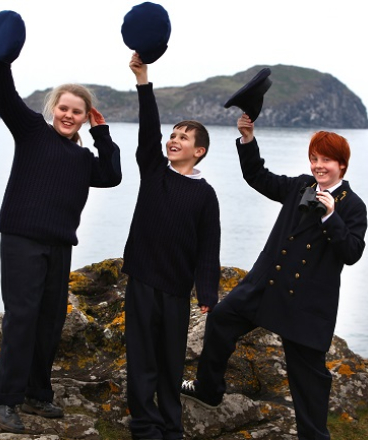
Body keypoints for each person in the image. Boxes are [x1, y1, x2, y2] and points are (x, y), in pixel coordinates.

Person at [181, 114, 367, 440]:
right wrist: (248, 139)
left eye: (326, 160)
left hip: (306, 304)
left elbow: (351, 253)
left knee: (307, 379)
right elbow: (257, 176)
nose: (318, 165)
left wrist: (332, 217)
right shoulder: (299, 186)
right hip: (265, 286)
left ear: (342, 165)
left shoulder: (352, 205)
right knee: (221, 319)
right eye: (314, 158)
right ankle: (208, 389)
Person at [0, 11, 122, 434]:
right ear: (53, 108)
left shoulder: (83, 158)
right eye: (64, 107)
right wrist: (0, 61)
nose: (68, 115)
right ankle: (5, 399)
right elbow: (6, 96)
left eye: (77, 112)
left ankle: (37, 393)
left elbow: (112, 175)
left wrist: (102, 135)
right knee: (22, 316)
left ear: (85, 117)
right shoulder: (31, 131)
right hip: (22, 239)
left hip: (60, 244)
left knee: (50, 320)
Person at [123, 52, 221, 440]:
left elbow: (208, 247)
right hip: (143, 281)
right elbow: (149, 131)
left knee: (170, 364)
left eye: (184, 137)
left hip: (177, 290)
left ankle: (171, 425)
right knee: (142, 359)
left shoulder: (205, 195)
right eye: (173, 134)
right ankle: (145, 425)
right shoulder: (153, 171)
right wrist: (143, 81)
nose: (173, 139)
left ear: (199, 151)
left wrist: (208, 292)